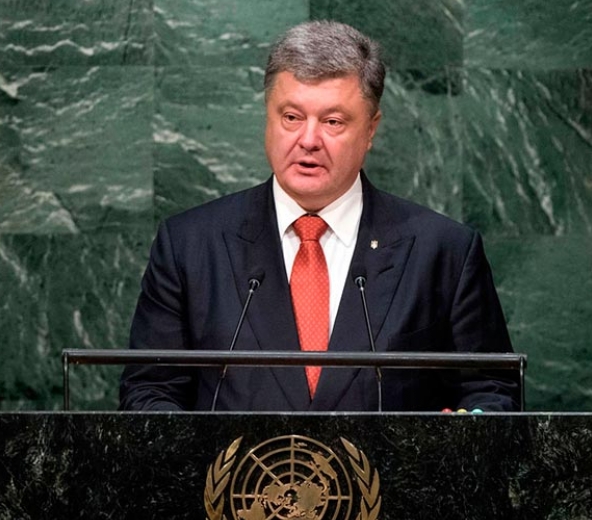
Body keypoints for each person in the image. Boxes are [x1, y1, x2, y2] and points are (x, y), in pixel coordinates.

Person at [119, 20, 518, 412]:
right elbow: (148, 393)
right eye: (291, 117)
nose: (308, 140)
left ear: (371, 130)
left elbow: (492, 392)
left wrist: (462, 433)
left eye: (332, 122)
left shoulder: (444, 251)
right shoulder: (189, 245)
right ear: (267, 117)